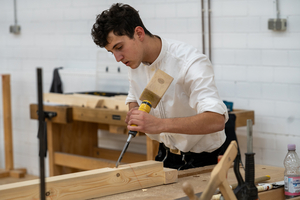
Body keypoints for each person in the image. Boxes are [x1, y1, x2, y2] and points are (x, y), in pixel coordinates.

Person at [91, 3, 229, 170]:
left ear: (139, 33)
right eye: (111, 52)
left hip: (207, 160)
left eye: (119, 47)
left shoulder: (189, 62)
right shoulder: (134, 62)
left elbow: (216, 120)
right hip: (166, 156)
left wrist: (159, 124)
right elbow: (133, 96)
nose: (117, 58)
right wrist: (134, 112)